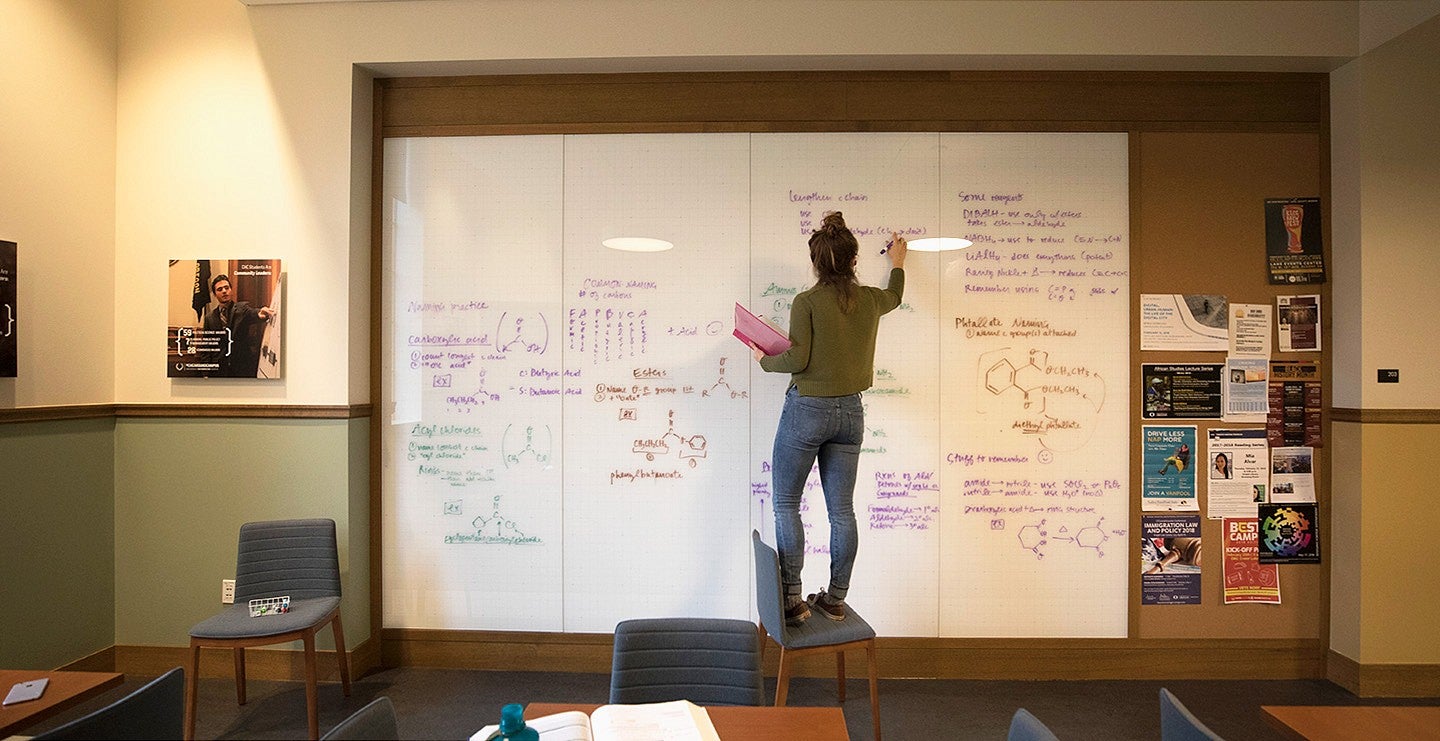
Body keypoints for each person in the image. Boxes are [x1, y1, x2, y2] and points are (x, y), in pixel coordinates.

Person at [750, 211, 905, 625]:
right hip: (851, 412)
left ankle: (793, 601)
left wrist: (764, 359)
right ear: (854, 261)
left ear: (816, 263)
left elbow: (798, 358)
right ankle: (836, 600)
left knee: (786, 504)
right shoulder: (871, 299)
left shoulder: (807, 302)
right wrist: (898, 265)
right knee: (842, 512)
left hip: (807, 410)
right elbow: (895, 298)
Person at [202, 273, 275, 377]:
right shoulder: (209, 318)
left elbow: (254, 313)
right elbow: (206, 347)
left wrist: (261, 313)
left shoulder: (242, 309)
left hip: (241, 369)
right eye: (219, 289)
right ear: (214, 294)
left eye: (226, 288)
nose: (224, 291)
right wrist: (205, 373)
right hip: (219, 370)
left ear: (231, 290)